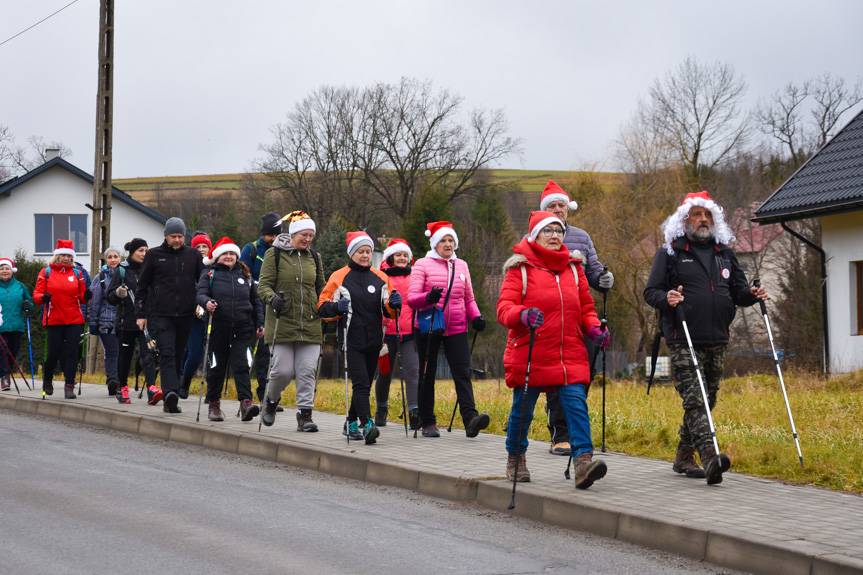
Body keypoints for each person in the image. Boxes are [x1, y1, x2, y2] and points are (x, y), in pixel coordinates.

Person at [644, 190, 769, 485]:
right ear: (684, 220)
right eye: (696, 214)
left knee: (707, 399)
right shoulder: (671, 253)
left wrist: (752, 295)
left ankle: (683, 457)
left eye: (707, 215)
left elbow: (738, 292)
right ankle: (709, 457)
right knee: (695, 399)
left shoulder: (724, 253)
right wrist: (669, 298)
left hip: (717, 337)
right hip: (682, 336)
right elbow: (651, 292)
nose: (702, 220)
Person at [498, 212, 611, 488]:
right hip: (530, 353)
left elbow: (586, 308)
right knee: (522, 412)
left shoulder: (574, 269)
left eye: (558, 231)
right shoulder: (519, 269)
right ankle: (516, 458)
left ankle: (583, 462)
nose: (554, 236)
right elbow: (504, 309)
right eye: (547, 231)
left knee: (576, 406)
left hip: (568, 354)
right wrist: (522, 315)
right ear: (534, 235)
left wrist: (594, 328)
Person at [539, 179, 615, 456]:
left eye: (561, 205)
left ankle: (576, 428)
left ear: (568, 209)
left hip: (581, 312)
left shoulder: (582, 237)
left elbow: (594, 270)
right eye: (552, 206)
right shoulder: (536, 238)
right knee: (558, 374)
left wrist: (603, 278)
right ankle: (561, 433)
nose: (558, 210)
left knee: (583, 374)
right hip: (551, 315)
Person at [407, 221, 490, 438]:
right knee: (428, 374)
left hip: (456, 327)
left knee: (462, 373)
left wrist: (476, 316)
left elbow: (469, 298)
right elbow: (412, 300)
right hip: (429, 326)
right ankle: (428, 422)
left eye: (451, 240)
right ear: (434, 243)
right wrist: (429, 297)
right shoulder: (422, 265)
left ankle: (470, 419)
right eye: (443, 240)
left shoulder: (461, 265)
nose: (447, 244)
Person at [317, 230, 399, 444]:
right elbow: (322, 308)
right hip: (351, 339)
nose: (365, 255)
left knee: (364, 385)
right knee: (361, 384)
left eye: (368, 251)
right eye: (361, 251)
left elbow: (389, 310)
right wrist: (336, 307)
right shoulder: (340, 276)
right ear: (352, 253)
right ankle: (368, 424)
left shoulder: (381, 278)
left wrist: (395, 304)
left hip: (374, 340)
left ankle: (350, 422)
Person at [257, 211, 324, 431]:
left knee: (306, 371)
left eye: (310, 236)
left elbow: (321, 289)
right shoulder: (274, 254)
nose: (307, 239)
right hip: (282, 321)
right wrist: (273, 298)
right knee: (282, 371)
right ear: (293, 233)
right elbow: (263, 286)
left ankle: (305, 416)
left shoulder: (315, 258)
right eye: (304, 235)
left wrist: (328, 305)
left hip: (310, 323)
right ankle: (271, 401)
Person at [135, 217, 204, 413]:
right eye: (173, 236)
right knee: (166, 353)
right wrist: (140, 313)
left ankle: (172, 390)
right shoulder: (154, 255)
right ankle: (170, 394)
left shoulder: (193, 255)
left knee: (179, 353)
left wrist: (203, 302)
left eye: (180, 236)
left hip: (185, 314)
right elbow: (142, 286)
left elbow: (203, 281)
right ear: (166, 236)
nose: (177, 240)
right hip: (161, 314)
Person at [197, 237, 264, 421]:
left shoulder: (245, 275)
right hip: (218, 327)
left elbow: (256, 301)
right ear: (217, 257)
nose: (228, 257)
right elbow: (200, 293)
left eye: (232, 254)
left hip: (243, 328)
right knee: (217, 367)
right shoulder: (209, 274)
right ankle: (214, 404)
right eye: (224, 253)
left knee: (242, 365)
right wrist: (207, 303)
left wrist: (260, 323)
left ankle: (246, 403)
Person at [106, 238, 159, 404]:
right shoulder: (121, 270)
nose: (144, 254)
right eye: (140, 250)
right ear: (132, 252)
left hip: (147, 322)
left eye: (146, 250)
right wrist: (118, 293)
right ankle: (122, 389)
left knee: (149, 355)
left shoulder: (150, 269)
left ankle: (152, 389)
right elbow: (110, 296)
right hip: (126, 322)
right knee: (125, 357)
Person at [32, 240, 87, 399]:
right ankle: (48, 378)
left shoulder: (77, 273)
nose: (65, 258)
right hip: (54, 319)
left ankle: (69, 386)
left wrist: (87, 296)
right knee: (53, 354)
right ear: (57, 256)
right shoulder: (46, 272)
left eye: (68, 255)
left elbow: (82, 297)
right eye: (62, 255)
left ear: (72, 257)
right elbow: (36, 296)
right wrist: (44, 297)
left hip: (74, 319)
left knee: (72, 353)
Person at [374, 238, 420, 428]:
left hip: (410, 333)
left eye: (405, 255)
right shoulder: (380, 277)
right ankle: (381, 408)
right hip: (387, 333)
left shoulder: (415, 276)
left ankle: (414, 411)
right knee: (384, 373)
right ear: (390, 257)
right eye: (398, 255)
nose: (402, 258)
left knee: (412, 371)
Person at [241, 212, 282, 403]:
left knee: (268, 353)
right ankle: (245, 394)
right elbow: (243, 275)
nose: (273, 239)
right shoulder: (251, 249)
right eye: (270, 235)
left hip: (273, 305)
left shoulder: (282, 250)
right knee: (251, 351)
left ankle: (266, 393)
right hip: (253, 305)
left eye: (276, 234)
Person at [179, 232, 213, 398]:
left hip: (214, 314)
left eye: (204, 246)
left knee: (213, 354)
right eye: (197, 246)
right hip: (194, 315)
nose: (201, 249)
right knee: (195, 352)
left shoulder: (215, 265)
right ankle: (184, 382)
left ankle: (212, 392)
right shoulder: (188, 265)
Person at [88, 247, 122, 396]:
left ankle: (121, 381)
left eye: (116, 256)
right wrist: (93, 322)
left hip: (123, 320)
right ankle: (113, 381)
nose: (113, 259)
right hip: (106, 320)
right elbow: (94, 302)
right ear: (106, 259)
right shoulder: (100, 277)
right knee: (112, 351)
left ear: (120, 259)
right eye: (110, 257)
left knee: (122, 352)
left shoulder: (125, 274)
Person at [0, 257, 34, 391]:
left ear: (12, 271)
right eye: (1, 269)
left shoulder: (20, 286)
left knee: (12, 353)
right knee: (1, 351)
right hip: (0, 325)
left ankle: (6, 372)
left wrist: (27, 305)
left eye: (7, 268)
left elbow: (30, 306)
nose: (4, 271)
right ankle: (4, 378)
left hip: (16, 325)